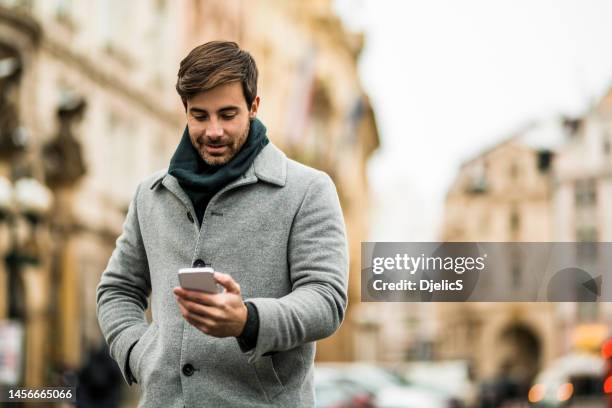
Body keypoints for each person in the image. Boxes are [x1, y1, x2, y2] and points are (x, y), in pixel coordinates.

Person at [96, 41, 348, 407]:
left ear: (254, 107)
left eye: (228, 114)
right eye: (200, 115)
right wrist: (137, 351)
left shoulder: (308, 189)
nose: (213, 130)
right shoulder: (149, 195)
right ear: (185, 111)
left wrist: (249, 320)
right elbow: (116, 289)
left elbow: (326, 299)